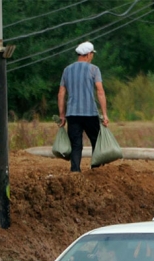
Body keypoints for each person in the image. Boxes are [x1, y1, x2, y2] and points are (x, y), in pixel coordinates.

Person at [57, 42, 109, 173]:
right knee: (96, 141)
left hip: (72, 114)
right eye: (92, 54)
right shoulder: (94, 69)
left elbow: (61, 93)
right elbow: (100, 91)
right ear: (88, 55)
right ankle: (95, 170)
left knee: (76, 144)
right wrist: (104, 114)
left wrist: (62, 115)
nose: (92, 57)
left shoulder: (67, 70)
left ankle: (75, 171)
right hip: (90, 113)